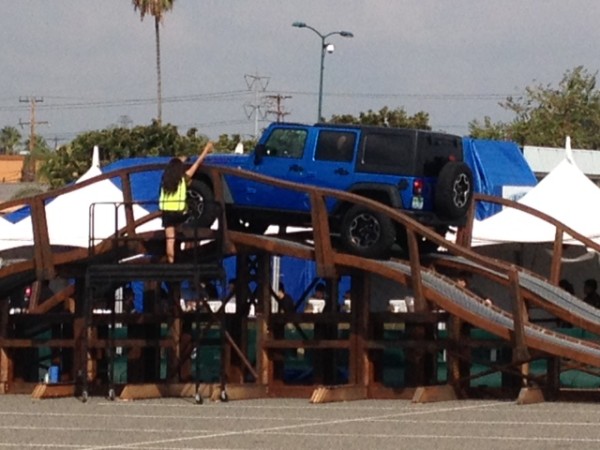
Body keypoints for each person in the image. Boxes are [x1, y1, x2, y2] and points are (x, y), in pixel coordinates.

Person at [159, 141, 213, 263]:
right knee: (187, 229)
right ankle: (187, 251)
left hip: (166, 213)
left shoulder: (165, 180)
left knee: (170, 240)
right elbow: (196, 165)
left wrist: (179, 160)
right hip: (180, 214)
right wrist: (205, 150)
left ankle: (171, 262)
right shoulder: (183, 179)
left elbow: (173, 165)